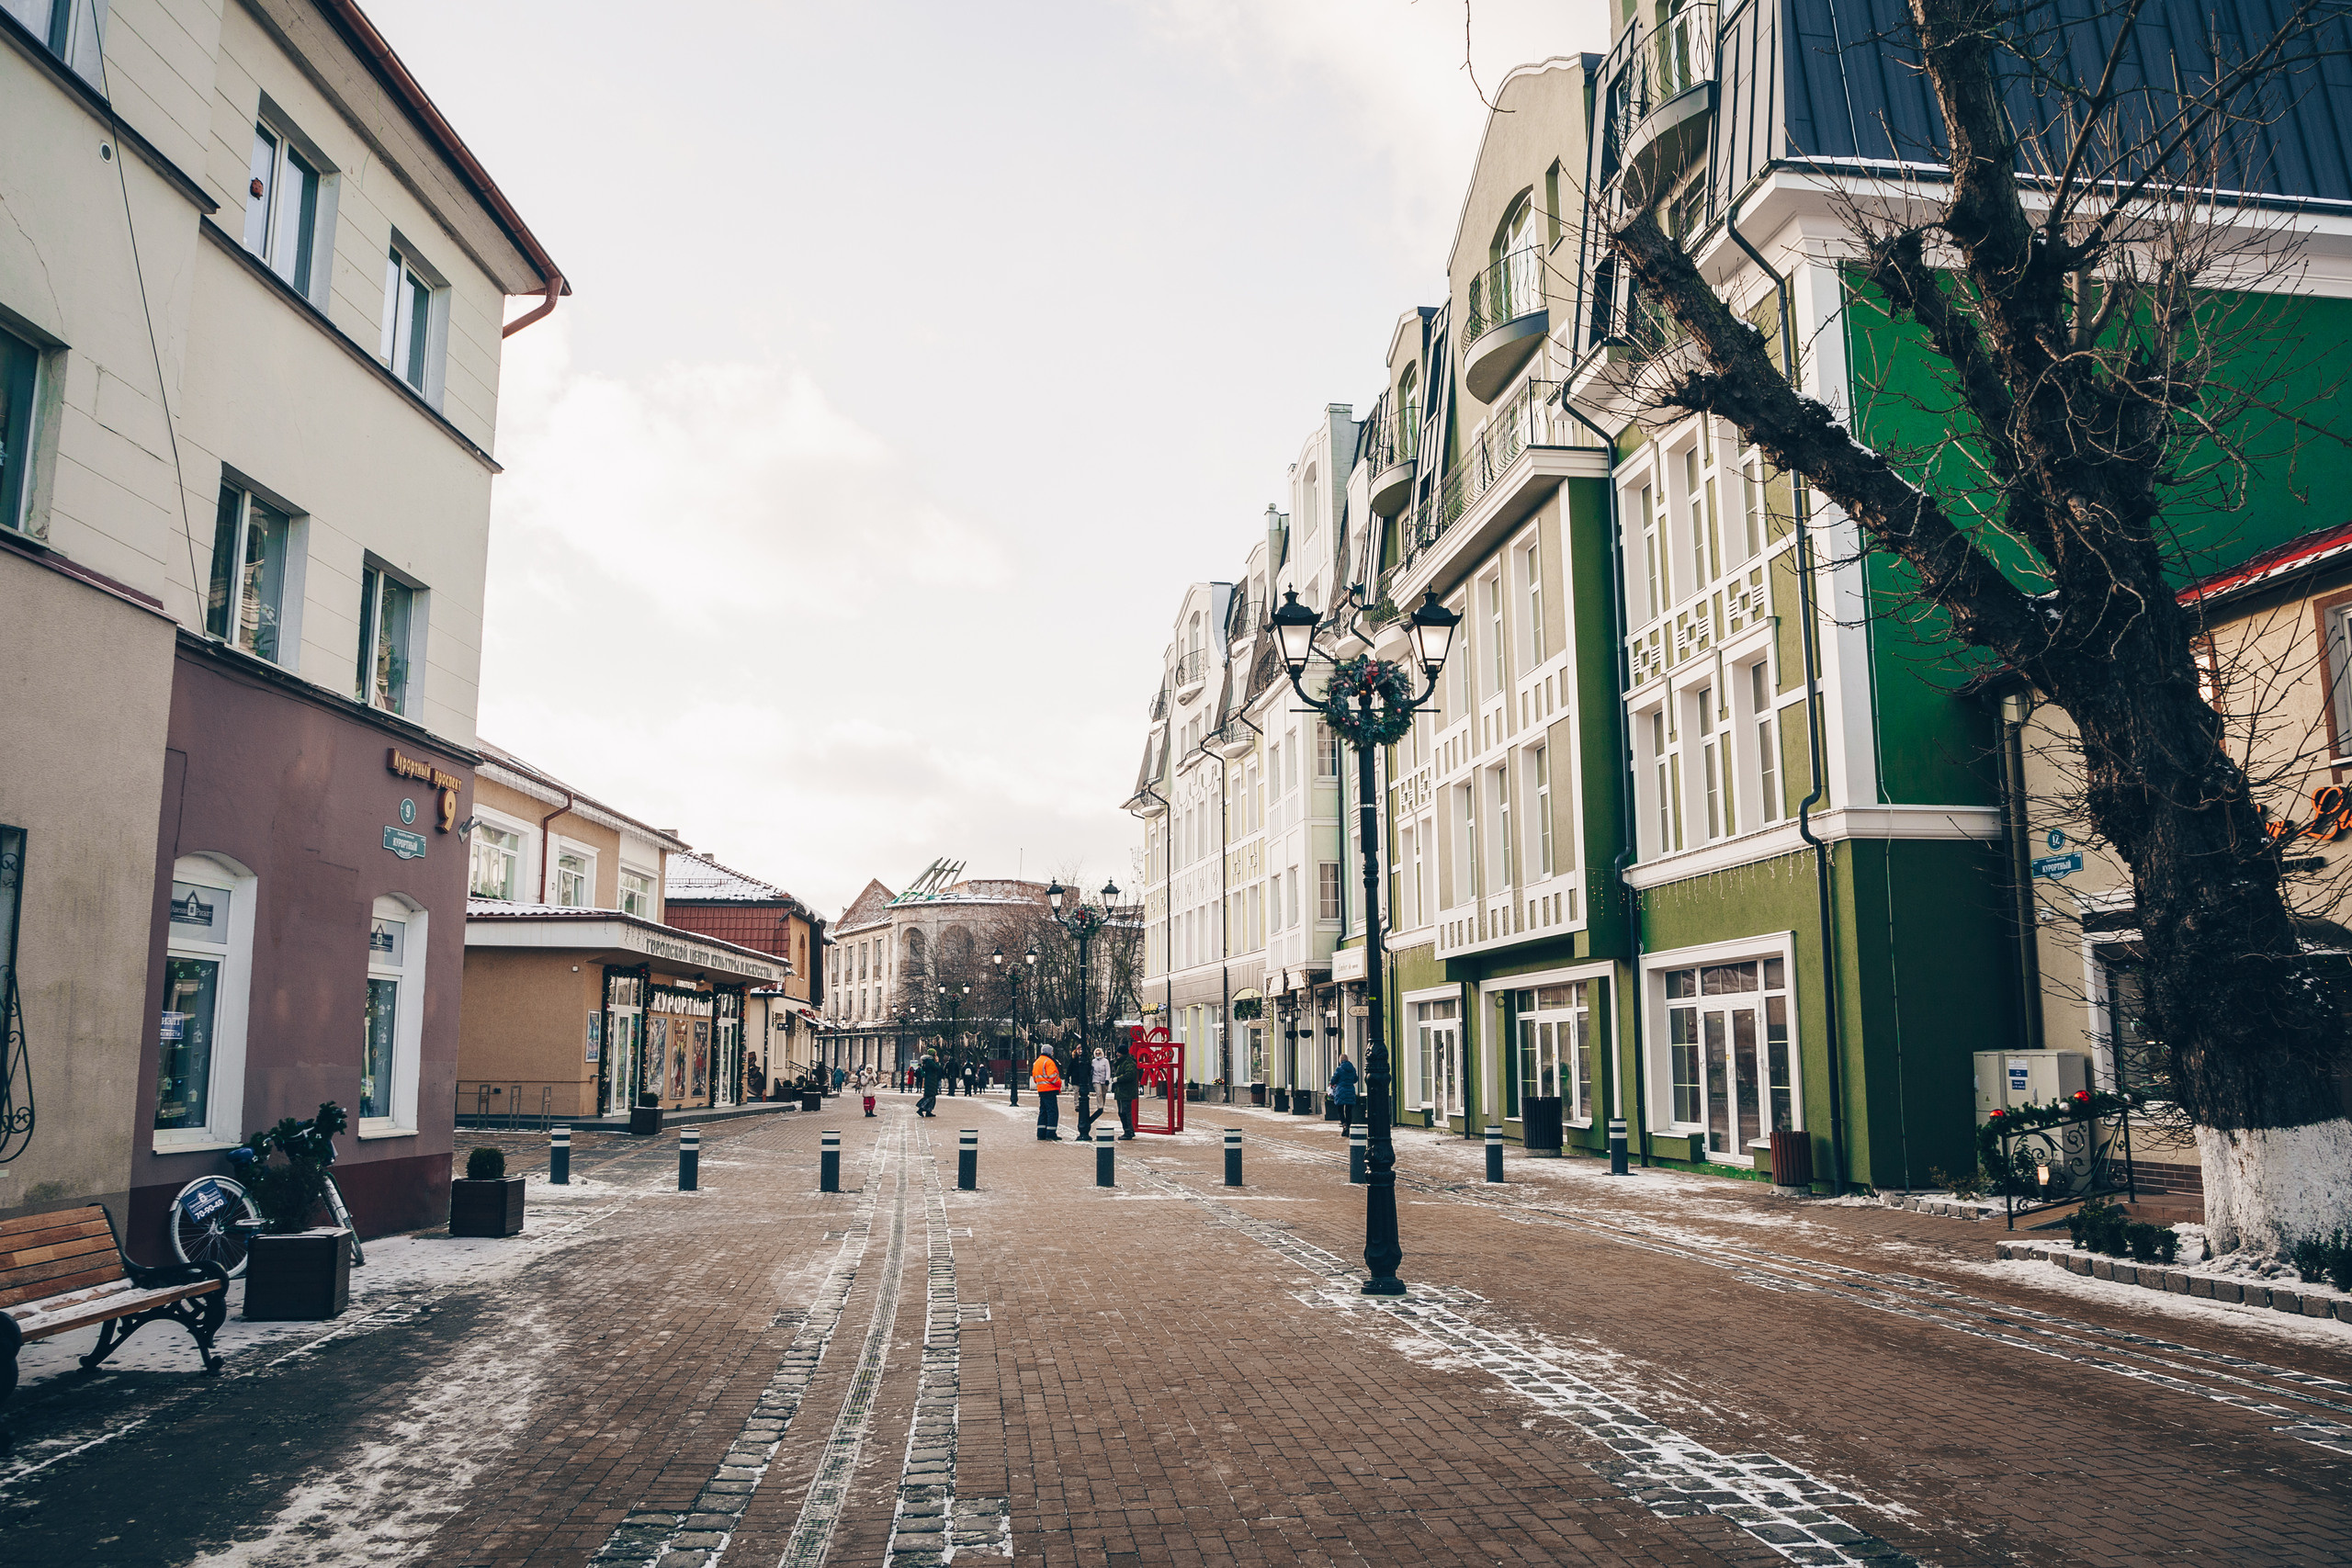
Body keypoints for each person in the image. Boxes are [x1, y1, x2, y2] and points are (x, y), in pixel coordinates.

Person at [1032, 1045, 1064, 1140]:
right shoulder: (1049, 1062)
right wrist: (1059, 1083)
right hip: (1050, 1089)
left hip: (1041, 1089)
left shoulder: (1037, 1062)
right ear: (1050, 1052)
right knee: (1052, 1112)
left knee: (1043, 1112)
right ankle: (1051, 1133)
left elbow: (1034, 1077)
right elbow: (1052, 1077)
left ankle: (1041, 1133)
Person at [1114, 1042, 1141, 1139]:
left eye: (1119, 1052)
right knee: (1122, 1112)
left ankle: (1128, 1132)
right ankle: (1129, 1130)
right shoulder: (1122, 1062)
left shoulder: (1128, 1062)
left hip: (1126, 1091)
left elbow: (1130, 1075)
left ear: (1123, 1053)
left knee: (1124, 1112)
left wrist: (1118, 1079)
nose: (1117, 1054)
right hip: (1121, 1091)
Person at [1329, 1055, 1360, 1134]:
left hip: (1341, 1092)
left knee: (1340, 1110)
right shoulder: (1353, 1069)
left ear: (1340, 1061)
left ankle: (1344, 1124)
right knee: (1348, 1111)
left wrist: (1332, 1083)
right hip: (1350, 1091)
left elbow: (1333, 1080)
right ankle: (1348, 1127)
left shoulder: (1339, 1069)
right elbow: (1355, 1079)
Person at [917, 1052, 942, 1118]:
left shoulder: (928, 1062)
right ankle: (921, 1109)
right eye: (935, 1054)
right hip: (931, 1081)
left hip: (931, 1081)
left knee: (932, 1097)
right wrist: (937, 1062)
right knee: (930, 1096)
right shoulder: (930, 1062)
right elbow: (937, 1068)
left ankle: (928, 1111)